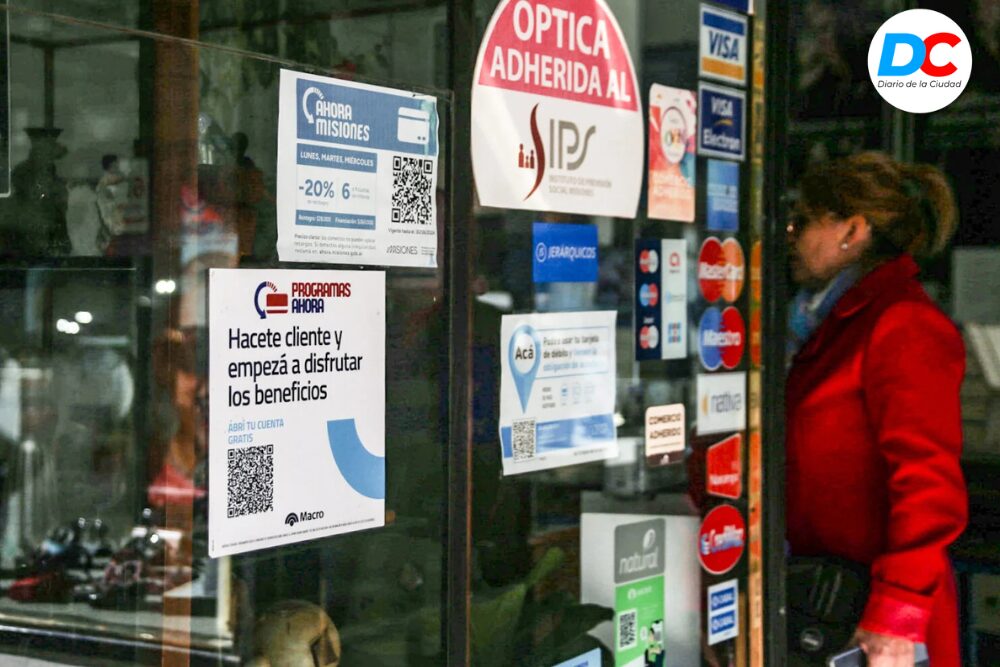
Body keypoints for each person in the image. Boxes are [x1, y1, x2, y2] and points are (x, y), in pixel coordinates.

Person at [785, 152, 967, 667]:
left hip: (876, 624)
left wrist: (896, 613)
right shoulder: (827, 323)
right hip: (825, 602)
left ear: (852, 230)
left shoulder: (900, 321)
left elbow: (928, 481)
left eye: (802, 221)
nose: (789, 236)